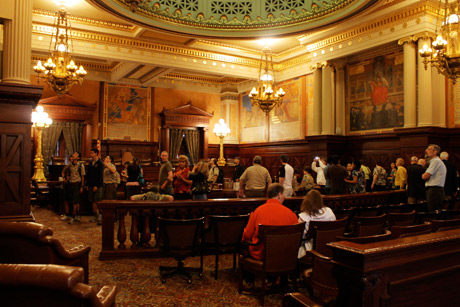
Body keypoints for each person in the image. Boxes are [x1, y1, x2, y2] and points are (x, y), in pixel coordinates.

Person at [241, 184, 298, 285]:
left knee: (245, 246)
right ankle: (277, 279)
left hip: (262, 254)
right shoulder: (291, 214)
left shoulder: (258, 211)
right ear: (279, 195)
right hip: (286, 255)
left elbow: (247, 235)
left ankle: (249, 281)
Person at [298, 189, 336, 258]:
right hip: (329, 249)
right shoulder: (329, 212)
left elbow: (301, 237)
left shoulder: (303, 217)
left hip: (310, 251)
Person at [61, 152, 85, 224]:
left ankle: (74, 216)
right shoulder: (69, 165)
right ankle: (69, 214)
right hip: (70, 184)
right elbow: (63, 172)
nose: (74, 155)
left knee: (75, 201)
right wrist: (65, 178)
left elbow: (83, 177)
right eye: (73, 154)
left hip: (77, 184)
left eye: (76, 154)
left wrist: (82, 187)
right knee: (69, 200)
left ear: (78, 157)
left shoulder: (81, 165)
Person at [422, 144, 447, 212]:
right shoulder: (435, 161)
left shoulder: (435, 161)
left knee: (433, 212)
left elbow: (425, 176)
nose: (426, 150)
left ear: (435, 152)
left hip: (435, 190)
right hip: (435, 190)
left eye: (428, 149)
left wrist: (424, 175)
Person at [86, 148, 104, 224]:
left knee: (98, 201)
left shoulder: (100, 163)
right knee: (92, 200)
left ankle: (100, 215)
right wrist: (87, 184)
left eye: (92, 153)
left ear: (96, 153)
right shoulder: (90, 163)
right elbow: (88, 174)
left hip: (98, 185)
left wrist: (96, 185)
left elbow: (100, 176)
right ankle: (95, 216)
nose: (91, 154)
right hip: (90, 185)